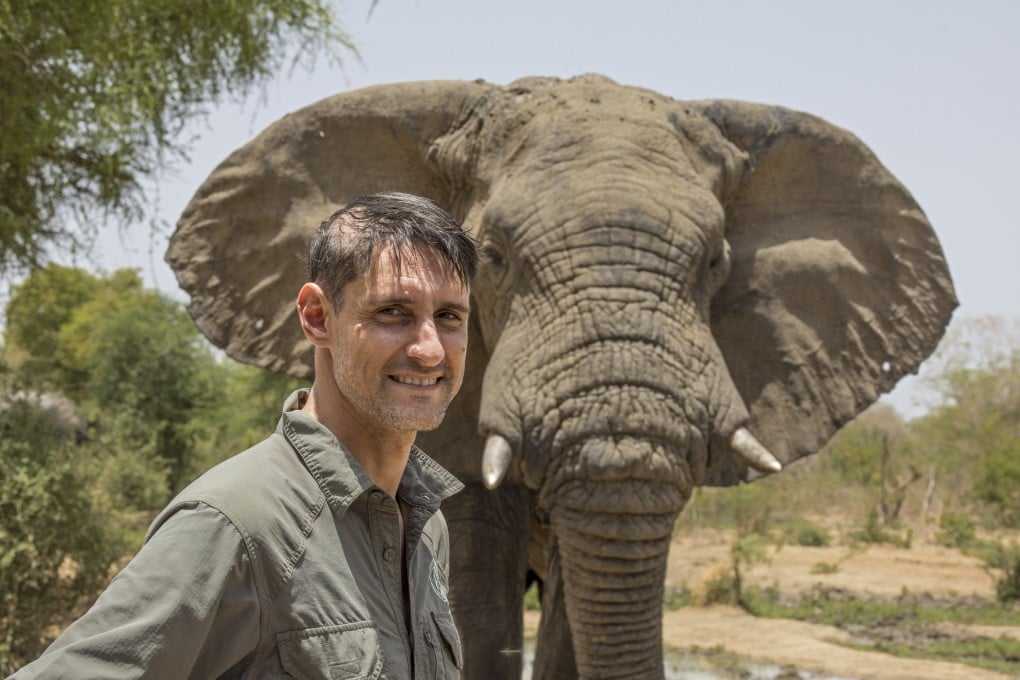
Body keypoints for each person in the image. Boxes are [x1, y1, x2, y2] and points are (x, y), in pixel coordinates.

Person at [9, 191, 479, 679]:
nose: (429, 349)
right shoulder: (233, 524)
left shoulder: (427, 526)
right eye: (392, 313)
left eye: (449, 317)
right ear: (318, 318)